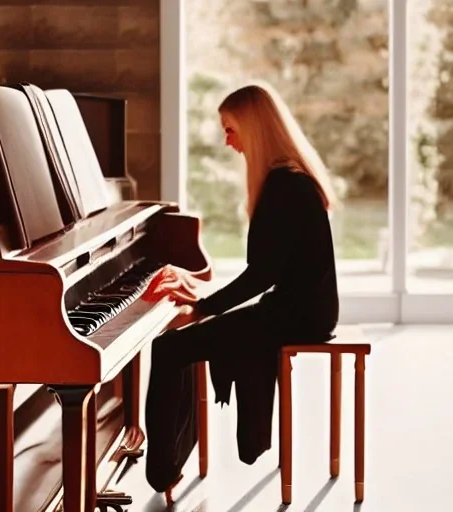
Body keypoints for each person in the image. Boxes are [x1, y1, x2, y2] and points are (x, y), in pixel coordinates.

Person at [143, 82, 339, 502]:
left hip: (295, 315)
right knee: (177, 345)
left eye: (230, 129)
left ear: (254, 128)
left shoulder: (284, 186)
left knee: (168, 349)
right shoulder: (291, 179)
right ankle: (173, 460)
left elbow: (262, 275)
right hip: (306, 309)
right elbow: (272, 271)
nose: (227, 140)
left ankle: (163, 471)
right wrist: (202, 293)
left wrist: (201, 309)